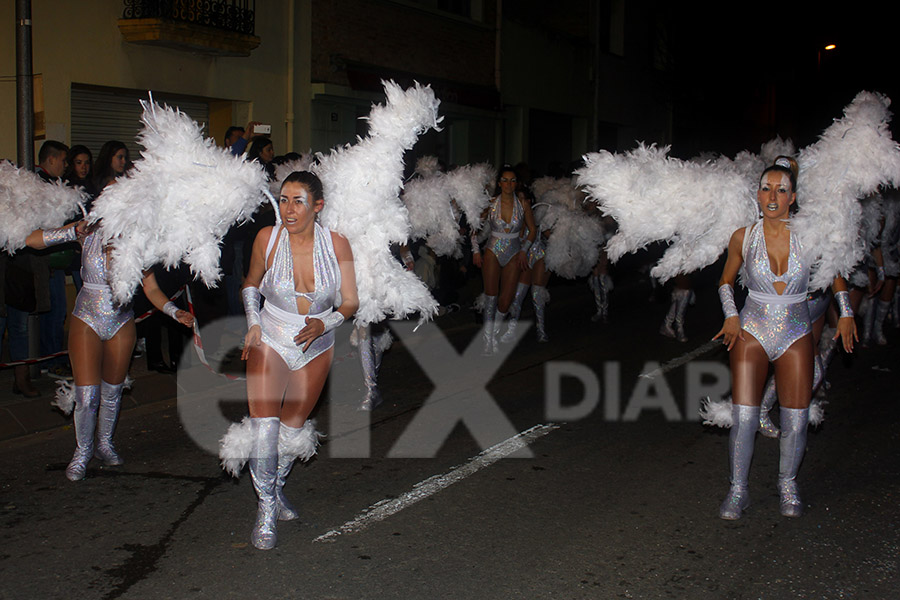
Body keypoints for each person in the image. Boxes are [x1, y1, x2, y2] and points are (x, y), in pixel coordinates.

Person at [713, 157, 856, 520]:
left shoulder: (811, 234)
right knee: (744, 418)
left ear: (793, 197)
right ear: (757, 195)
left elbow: (835, 272)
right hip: (752, 330)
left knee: (795, 418)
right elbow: (726, 281)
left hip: (796, 331)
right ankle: (738, 490)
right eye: (766, 188)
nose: (772, 196)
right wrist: (731, 315)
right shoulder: (743, 237)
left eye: (781, 190)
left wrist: (846, 314)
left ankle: (788, 484)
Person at [231, 171, 358, 550]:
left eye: (298, 201)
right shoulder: (267, 239)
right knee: (265, 428)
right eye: (283, 199)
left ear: (317, 206)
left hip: (315, 344)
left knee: (291, 431)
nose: (288, 209)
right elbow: (251, 282)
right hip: (269, 335)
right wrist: (253, 323)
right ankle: (266, 508)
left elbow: (350, 301)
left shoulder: (337, 244)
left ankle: (276, 486)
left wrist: (325, 322)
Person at [24, 221, 194, 481]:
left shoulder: (138, 239)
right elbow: (32, 241)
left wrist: (175, 311)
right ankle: (82, 452)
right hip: (86, 318)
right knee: (88, 395)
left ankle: (104, 444)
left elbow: (152, 288)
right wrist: (73, 231)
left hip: (121, 321)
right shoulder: (89, 230)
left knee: (112, 392)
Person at [472, 166, 536, 354]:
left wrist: (525, 250)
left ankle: (494, 332)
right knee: (491, 297)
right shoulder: (490, 203)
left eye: (512, 180)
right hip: (493, 250)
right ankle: (488, 340)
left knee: (506, 301)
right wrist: (476, 251)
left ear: (516, 183)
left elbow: (533, 229)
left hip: (515, 252)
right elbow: (474, 226)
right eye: (505, 180)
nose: (509, 184)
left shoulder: (523, 204)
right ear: (499, 183)